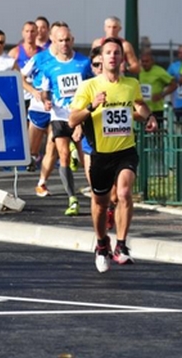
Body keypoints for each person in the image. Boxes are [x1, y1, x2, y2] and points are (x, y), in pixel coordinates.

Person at [69, 37, 157, 273]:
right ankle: (101, 244)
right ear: (101, 57)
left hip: (125, 150)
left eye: (117, 53)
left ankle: (121, 245)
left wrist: (148, 117)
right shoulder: (88, 86)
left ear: (122, 58)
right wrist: (92, 106)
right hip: (100, 154)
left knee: (125, 192)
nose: (112, 57)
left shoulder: (131, 84)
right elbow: (72, 119)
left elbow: (139, 104)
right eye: (108, 53)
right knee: (100, 204)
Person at [40, 25, 94, 216]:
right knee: (62, 155)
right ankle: (72, 199)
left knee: (84, 157)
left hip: (80, 115)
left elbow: (92, 84)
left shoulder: (83, 63)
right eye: (60, 40)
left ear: (72, 40)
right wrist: (46, 101)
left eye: (67, 40)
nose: (64, 43)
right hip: (59, 115)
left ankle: (96, 193)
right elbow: (44, 91)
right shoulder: (49, 67)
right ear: (53, 41)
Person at [21, 21, 68, 195]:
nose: (61, 41)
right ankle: (34, 157)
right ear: (52, 38)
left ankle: (42, 182)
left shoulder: (70, 60)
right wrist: (34, 91)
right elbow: (21, 76)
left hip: (59, 110)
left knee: (52, 146)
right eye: (57, 38)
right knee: (31, 150)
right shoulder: (40, 58)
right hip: (39, 107)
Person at [9, 21, 42, 120]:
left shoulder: (42, 53)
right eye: (27, 31)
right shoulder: (15, 52)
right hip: (21, 96)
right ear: (22, 33)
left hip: (37, 96)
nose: (29, 34)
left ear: (37, 33)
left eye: (32, 31)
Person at [138, 51, 176, 120]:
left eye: (147, 61)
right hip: (142, 109)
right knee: (142, 130)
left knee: (156, 129)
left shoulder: (159, 71)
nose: (144, 64)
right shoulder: (139, 71)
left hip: (156, 109)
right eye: (143, 61)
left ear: (152, 62)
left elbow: (174, 85)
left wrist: (161, 95)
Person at [166, 45, 182, 120]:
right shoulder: (173, 66)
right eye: (179, 53)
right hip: (177, 103)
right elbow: (166, 81)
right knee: (177, 126)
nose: (180, 55)